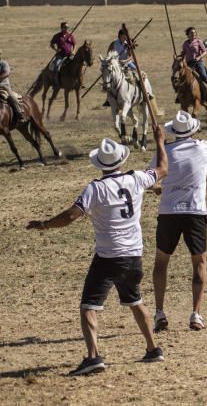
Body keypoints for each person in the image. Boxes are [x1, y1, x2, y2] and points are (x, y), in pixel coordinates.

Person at [26, 128, 170, 375]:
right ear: (121, 160)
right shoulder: (136, 178)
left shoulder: (95, 188)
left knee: (88, 307)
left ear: (100, 164)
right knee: (135, 301)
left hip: (108, 256)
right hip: (134, 254)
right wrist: (159, 142)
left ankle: (93, 357)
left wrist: (45, 224)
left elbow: (72, 215)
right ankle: (153, 348)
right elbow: (163, 169)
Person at [151, 111, 207, 334]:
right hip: (195, 213)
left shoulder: (164, 152)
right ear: (192, 129)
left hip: (169, 212)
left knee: (161, 262)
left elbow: (149, 179)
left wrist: (158, 188)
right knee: (199, 262)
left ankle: (160, 312)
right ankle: (196, 314)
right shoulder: (203, 147)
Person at [0, 49, 25, 124]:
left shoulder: (3, 63)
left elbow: (7, 73)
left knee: (11, 97)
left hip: (4, 85)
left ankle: (20, 113)